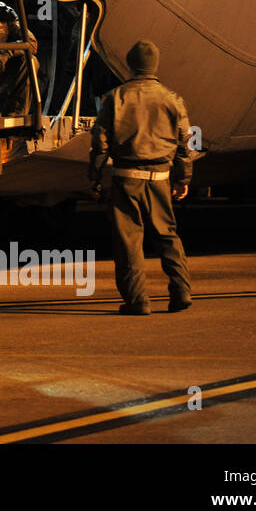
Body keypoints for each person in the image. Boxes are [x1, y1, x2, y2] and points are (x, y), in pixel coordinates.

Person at [87, 40, 194, 315]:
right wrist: (183, 179)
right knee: (167, 235)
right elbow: (184, 145)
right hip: (160, 177)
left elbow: (100, 143)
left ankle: (137, 301)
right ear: (155, 64)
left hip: (126, 177)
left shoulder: (115, 97)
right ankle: (181, 291)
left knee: (128, 241)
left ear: (131, 63)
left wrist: (95, 174)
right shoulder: (172, 99)